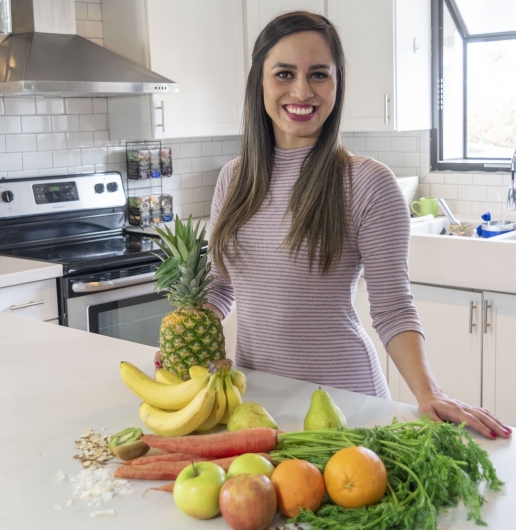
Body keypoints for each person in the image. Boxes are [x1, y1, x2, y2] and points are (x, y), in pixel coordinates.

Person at [203, 11, 511, 440]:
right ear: (260, 82)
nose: (302, 91)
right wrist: (185, 340)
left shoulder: (366, 182)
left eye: (319, 74)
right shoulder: (233, 179)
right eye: (284, 73)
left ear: (338, 83)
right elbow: (219, 286)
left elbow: (392, 307)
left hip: (348, 405)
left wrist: (429, 392)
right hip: (257, 403)